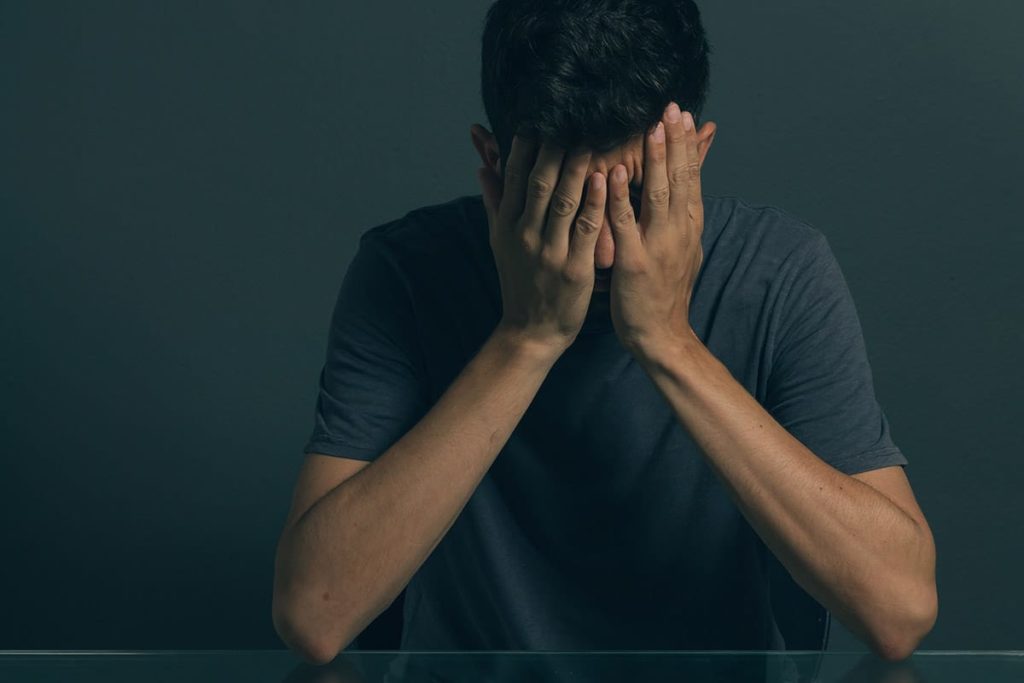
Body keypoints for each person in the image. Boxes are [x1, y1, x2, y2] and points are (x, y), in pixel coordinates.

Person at [271, 0, 938, 666]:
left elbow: (897, 608)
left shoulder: (781, 272)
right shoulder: (405, 272)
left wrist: (669, 343)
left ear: (694, 156)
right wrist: (525, 338)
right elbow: (313, 613)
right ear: (493, 161)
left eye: (636, 198)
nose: (604, 252)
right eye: (562, 202)